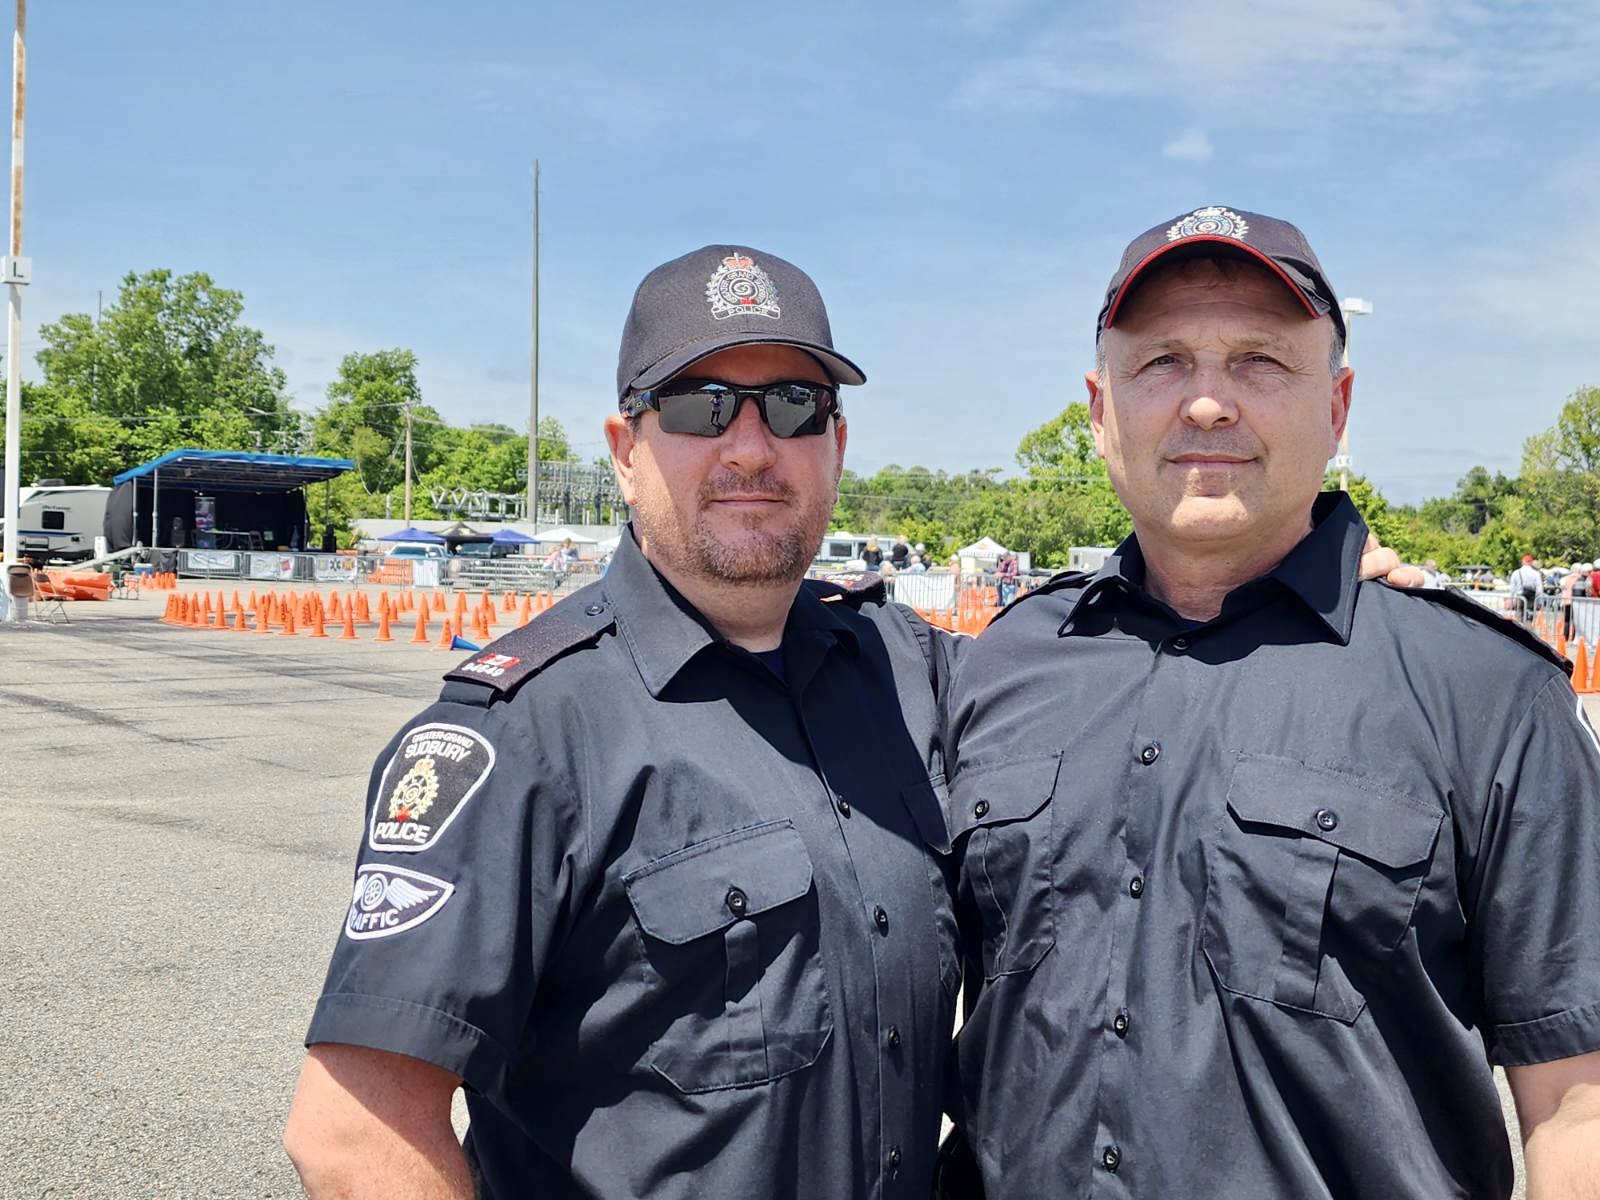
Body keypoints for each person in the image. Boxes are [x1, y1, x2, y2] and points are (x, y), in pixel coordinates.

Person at [940, 207, 1600, 1198]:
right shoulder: (1000, 668)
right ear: (1099, 407)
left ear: (1335, 408)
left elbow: (1576, 1110)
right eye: (1162, 361)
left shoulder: (1488, 695)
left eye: (1258, 361)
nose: (1207, 404)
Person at [284, 245, 961, 1199]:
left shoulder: (911, 675)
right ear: (624, 451)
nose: (752, 448)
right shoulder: (524, 736)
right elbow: (354, 1136)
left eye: (796, 407)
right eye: (700, 407)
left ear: (837, 445)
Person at [1508, 554, 1542, 626]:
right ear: (1531, 562)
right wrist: (1539, 601)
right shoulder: (1536, 573)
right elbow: (1539, 588)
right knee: (1529, 618)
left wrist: (1511, 600)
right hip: (1532, 598)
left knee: (1519, 617)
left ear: (1523, 562)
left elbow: (1512, 588)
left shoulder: (1516, 572)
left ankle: (1519, 633)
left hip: (1520, 597)